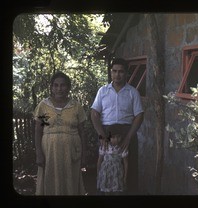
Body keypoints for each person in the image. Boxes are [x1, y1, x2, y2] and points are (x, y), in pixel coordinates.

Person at [91, 58, 144, 195]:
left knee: (129, 169)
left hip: (127, 132)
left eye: (121, 71)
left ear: (126, 73)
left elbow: (139, 116)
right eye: (114, 71)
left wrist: (128, 138)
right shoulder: (102, 91)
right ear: (111, 72)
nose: (117, 75)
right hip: (107, 133)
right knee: (106, 167)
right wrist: (101, 134)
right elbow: (94, 113)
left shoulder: (133, 92)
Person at [34, 71, 87, 195]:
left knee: (70, 182)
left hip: (71, 152)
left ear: (68, 87)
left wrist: (84, 155)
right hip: (49, 153)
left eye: (63, 85)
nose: (59, 88)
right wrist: (38, 153)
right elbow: (38, 131)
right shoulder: (43, 106)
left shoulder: (76, 106)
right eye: (56, 85)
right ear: (51, 87)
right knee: (49, 182)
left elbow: (82, 132)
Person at [96, 125, 128, 195]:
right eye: (113, 137)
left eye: (118, 137)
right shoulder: (104, 147)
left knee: (117, 191)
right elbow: (99, 161)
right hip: (105, 174)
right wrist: (98, 174)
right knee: (106, 191)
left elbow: (125, 163)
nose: (116, 139)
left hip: (117, 174)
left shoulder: (122, 148)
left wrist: (125, 177)